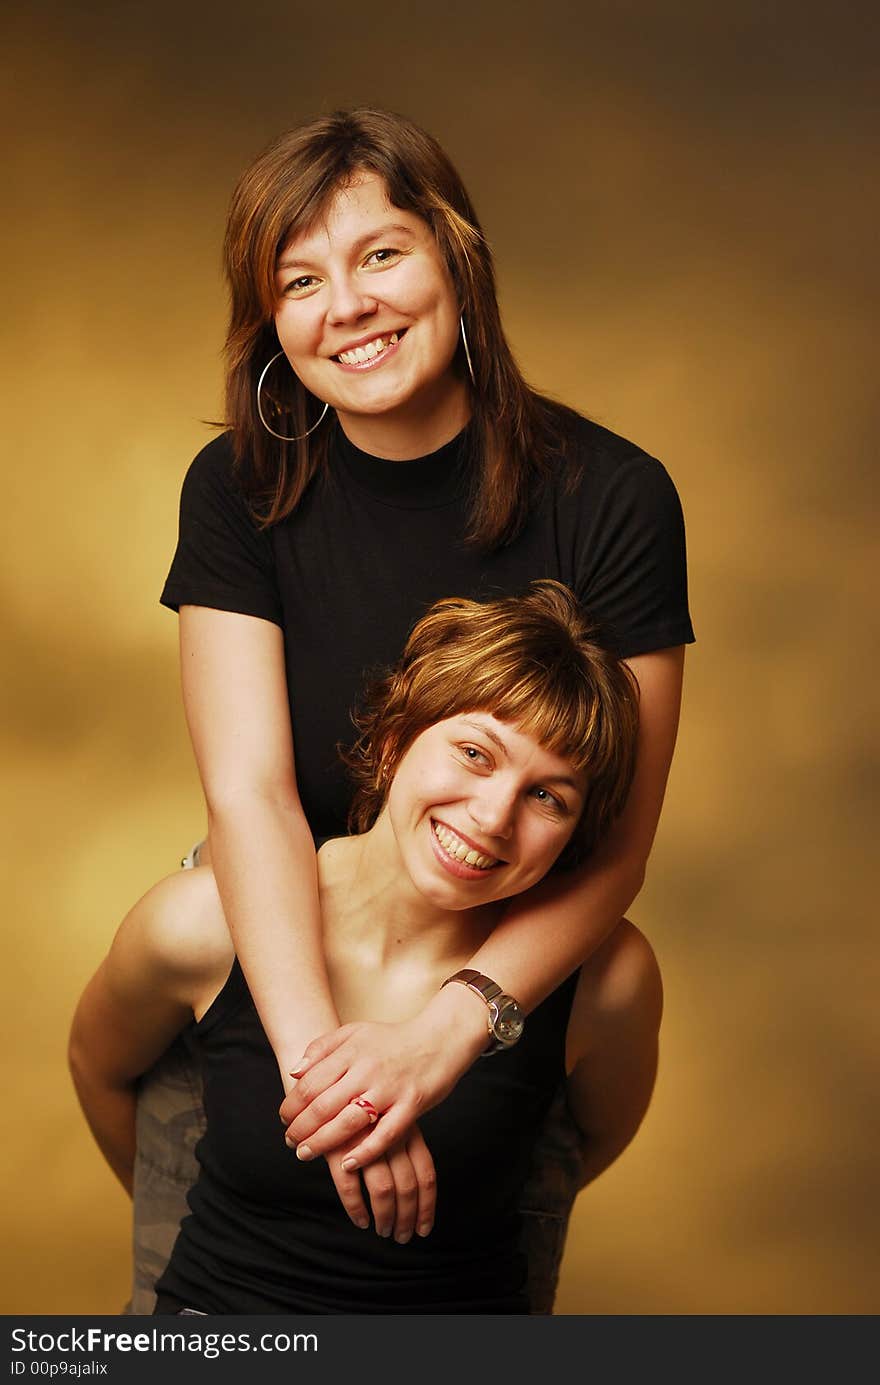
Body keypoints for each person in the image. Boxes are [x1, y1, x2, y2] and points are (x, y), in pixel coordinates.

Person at [113, 105, 693, 1305]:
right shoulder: (236, 487)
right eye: (301, 279)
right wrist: (328, 1070)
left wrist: (447, 1035)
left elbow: (617, 838)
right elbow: (250, 793)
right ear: (271, 320)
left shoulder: (616, 495)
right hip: (274, 968)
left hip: (494, 985)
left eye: (381, 254)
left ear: (455, 257)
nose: (350, 305)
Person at [69, 583, 662, 1315]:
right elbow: (97, 1064)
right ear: (393, 740)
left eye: (549, 797)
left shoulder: (604, 977)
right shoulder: (202, 921)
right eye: (476, 752)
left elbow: (585, 1144)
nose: (493, 816)